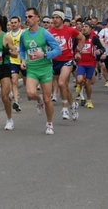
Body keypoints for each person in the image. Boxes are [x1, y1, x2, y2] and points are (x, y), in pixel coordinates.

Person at [19, 7, 61, 135]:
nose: (28, 19)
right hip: (32, 69)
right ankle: (39, 100)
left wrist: (45, 54)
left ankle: (49, 124)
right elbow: (22, 49)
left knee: (48, 99)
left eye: (30, 16)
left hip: (45, 69)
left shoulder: (45, 33)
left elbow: (58, 50)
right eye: (26, 17)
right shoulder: (24, 34)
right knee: (31, 93)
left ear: (37, 18)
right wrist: (22, 60)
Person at [49, 9, 85, 121]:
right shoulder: (49, 32)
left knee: (61, 83)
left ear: (62, 19)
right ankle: (73, 105)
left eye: (57, 17)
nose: (54, 20)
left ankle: (64, 108)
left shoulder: (70, 30)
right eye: (53, 17)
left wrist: (79, 51)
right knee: (64, 87)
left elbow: (82, 38)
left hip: (67, 60)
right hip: (54, 61)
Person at [74, 22, 105, 108]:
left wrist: (100, 51)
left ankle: (89, 100)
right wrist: (74, 56)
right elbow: (73, 49)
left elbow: (102, 48)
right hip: (81, 63)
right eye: (83, 26)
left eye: (86, 26)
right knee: (79, 80)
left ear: (90, 29)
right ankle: (80, 86)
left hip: (91, 63)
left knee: (88, 82)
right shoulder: (78, 38)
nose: (84, 28)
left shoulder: (94, 38)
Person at [8, 16, 26, 112]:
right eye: (12, 22)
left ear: (19, 23)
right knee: (14, 81)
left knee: (26, 82)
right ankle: (16, 102)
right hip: (13, 60)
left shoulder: (24, 34)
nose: (13, 24)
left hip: (24, 60)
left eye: (15, 22)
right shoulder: (7, 35)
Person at [98, 17, 108, 90]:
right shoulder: (104, 31)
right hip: (106, 53)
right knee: (106, 69)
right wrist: (103, 39)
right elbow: (98, 39)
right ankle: (107, 80)